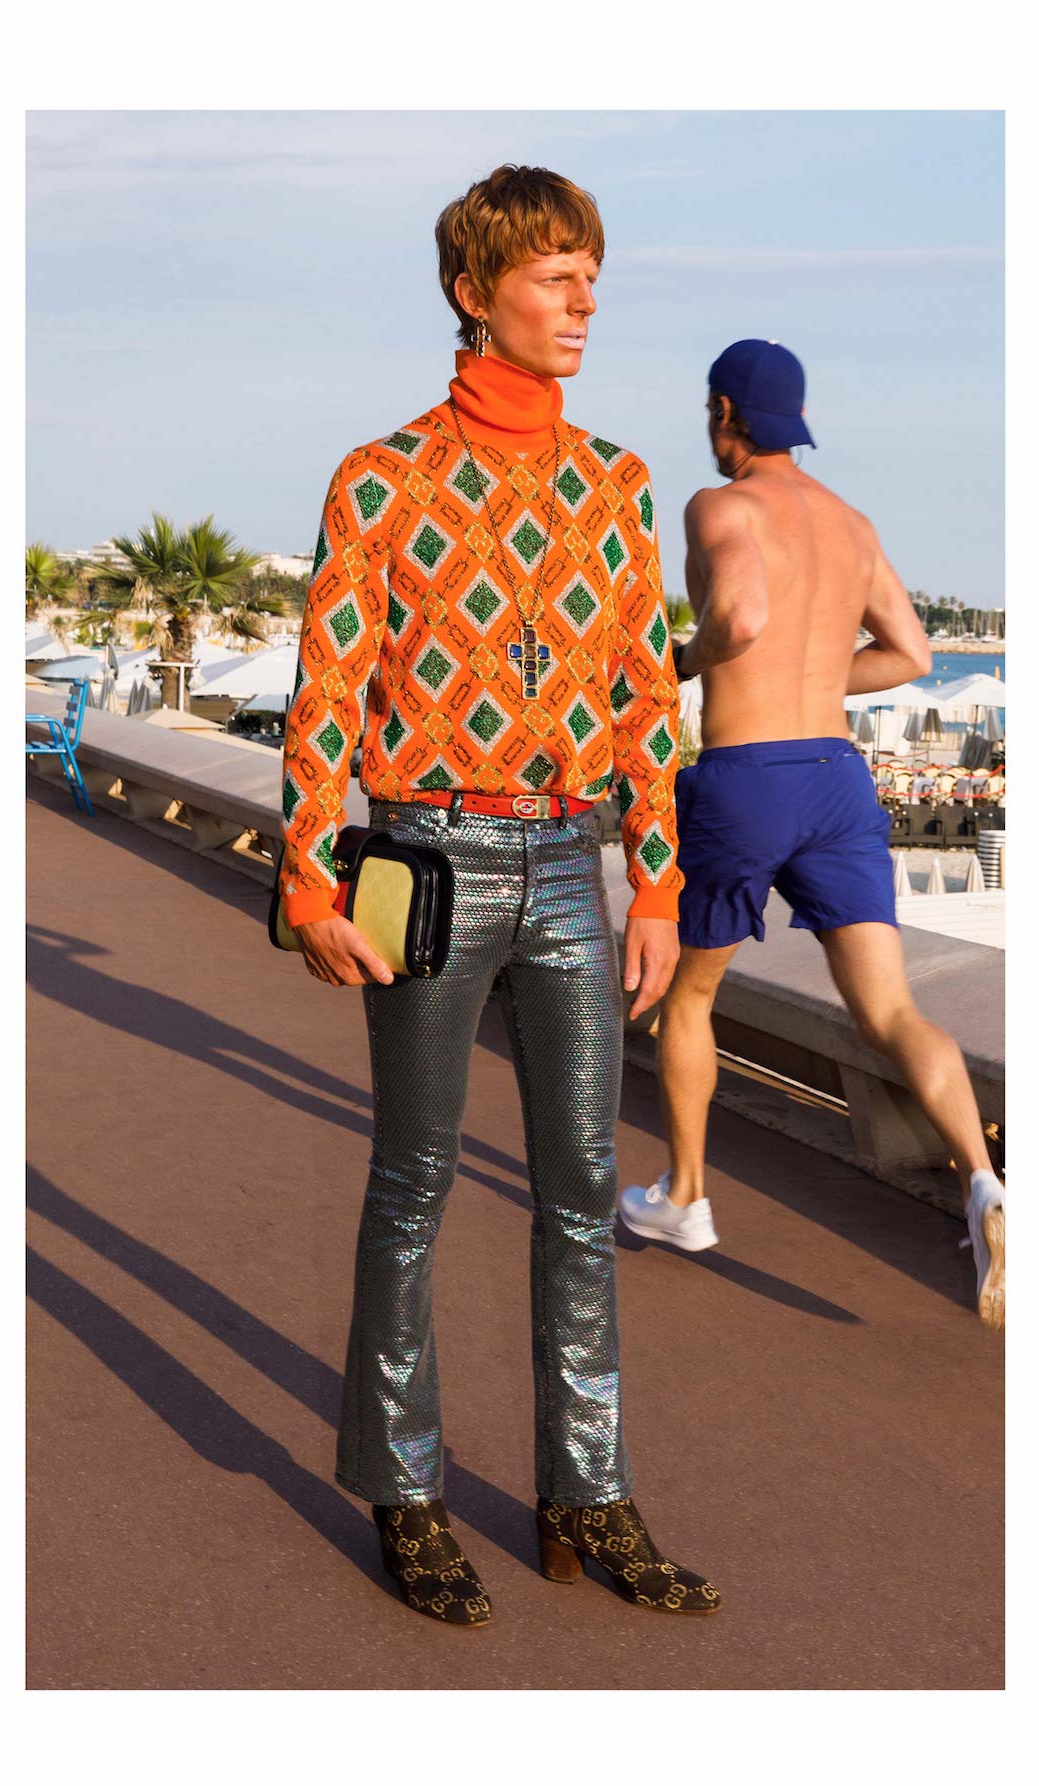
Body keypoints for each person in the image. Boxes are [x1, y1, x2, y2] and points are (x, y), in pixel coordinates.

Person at [281, 165, 720, 1625]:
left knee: (584, 1192)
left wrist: (655, 883)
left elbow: (645, 695)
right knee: (412, 1181)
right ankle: (403, 1487)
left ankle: (587, 1492)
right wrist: (309, 870)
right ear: (476, 293)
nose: (584, 300)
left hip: (571, 869)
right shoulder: (381, 477)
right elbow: (330, 687)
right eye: (553, 275)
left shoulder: (615, 483)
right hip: (426, 860)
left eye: (591, 273)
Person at [618, 339, 1005, 1332]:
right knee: (891, 1011)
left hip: (745, 778)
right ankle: (984, 1182)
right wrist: (818, 673)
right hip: (836, 777)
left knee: (690, 996)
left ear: (723, 412)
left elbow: (741, 616)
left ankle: (686, 1197)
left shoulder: (721, 506)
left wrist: (685, 662)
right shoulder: (851, 523)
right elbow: (910, 654)